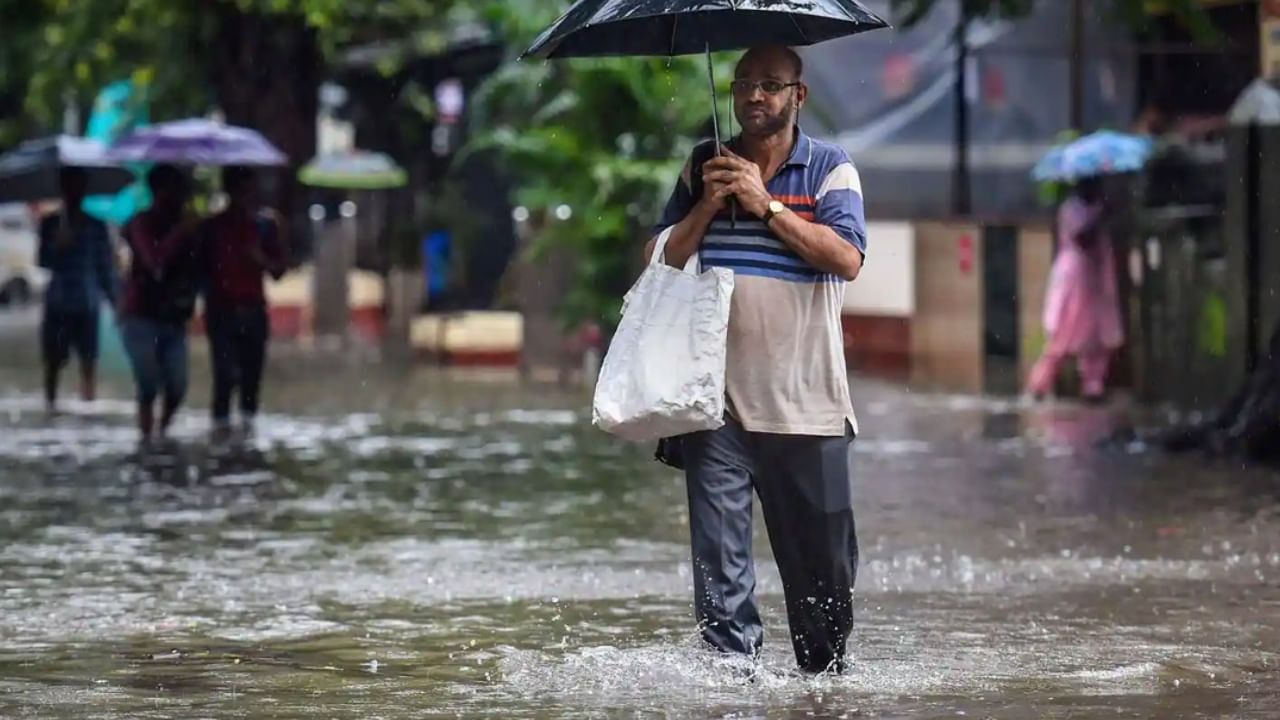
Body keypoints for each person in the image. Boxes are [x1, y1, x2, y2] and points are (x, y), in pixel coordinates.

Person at [647, 46, 866, 674]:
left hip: (809, 409)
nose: (754, 96)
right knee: (720, 587)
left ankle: (822, 694)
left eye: (771, 85)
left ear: (798, 95)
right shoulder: (703, 164)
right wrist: (709, 205)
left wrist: (764, 201)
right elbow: (658, 259)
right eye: (745, 83)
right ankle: (733, 689)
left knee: (823, 599)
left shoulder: (831, 168)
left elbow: (846, 258)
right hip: (715, 409)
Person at [199, 166, 287, 437]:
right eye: (240, 190)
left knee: (251, 383)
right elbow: (200, 268)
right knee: (224, 378)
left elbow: (279, 271)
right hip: (221, 312)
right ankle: (221, 438)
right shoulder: (211, 227)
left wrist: (258, 258)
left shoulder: (265, 225)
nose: (245, 196)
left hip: (253, 311)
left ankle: (247, 442)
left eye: (249, 190)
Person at [119, 165, 201, 445]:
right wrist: (180, 233)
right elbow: (155, 263)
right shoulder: (141, 223)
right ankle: (145, 438)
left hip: (173, 318)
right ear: (160, 191)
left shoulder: (188, 225)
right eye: (176, 190)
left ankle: (161, 434)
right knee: (148, 383)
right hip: (140, 316)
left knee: (177, 386)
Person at [1026, 177, 1124, 401]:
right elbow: (1081, 237)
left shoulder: (1096, 207)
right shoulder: (1071, 208)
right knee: (1063, 334)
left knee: (1096, 337)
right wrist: (1101, 214)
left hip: (1096, 279)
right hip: (1075, 277)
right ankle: (1039, 385)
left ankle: (1093, 387)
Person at [37, 167, 118, 413]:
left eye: (78, 185)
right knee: (53, 362)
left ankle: (88, 409)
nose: (74, 191)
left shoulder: (96, 226)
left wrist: (116, 302)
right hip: (58, 301)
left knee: (89, 361)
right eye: (69, 185)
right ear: (62, 188)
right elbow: (42, 260)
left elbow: (105, 267)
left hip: (87, 302)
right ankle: (51, 408)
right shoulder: (50, 224)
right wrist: (56, 246)